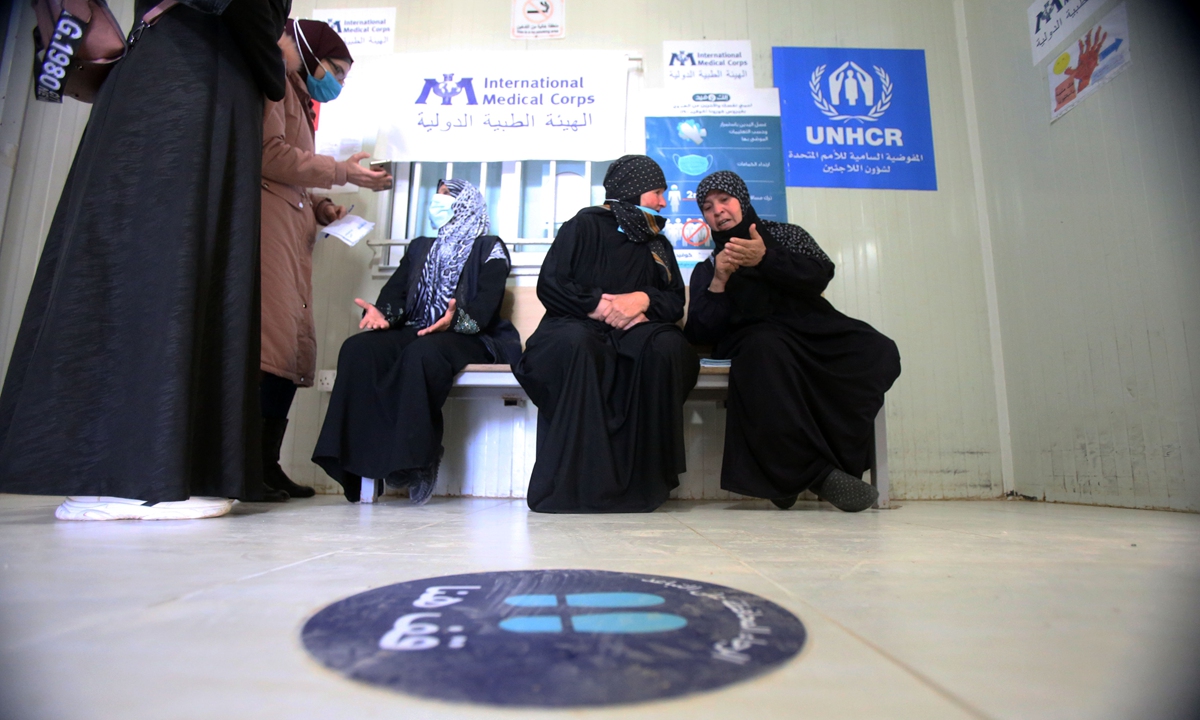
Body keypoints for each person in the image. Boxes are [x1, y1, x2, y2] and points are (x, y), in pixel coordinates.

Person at [0, 0, 290, 520]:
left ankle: (159, 469)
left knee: (169, 261)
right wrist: (270, 60)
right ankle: (126, 474)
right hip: (190, 72)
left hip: (192, 66)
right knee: (162, 261)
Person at [684, 171, 901, 512]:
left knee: (877, 350)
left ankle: (816, 468)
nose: (718, 211)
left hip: (810, 329)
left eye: (724, 200)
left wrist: (766, 258)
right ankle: (817, 474)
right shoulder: (709, 266)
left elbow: (819, 274)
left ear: (742, 200)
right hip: (754, 338)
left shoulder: (786, 235)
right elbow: (700, 334)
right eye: (708, 207)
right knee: (767, 352)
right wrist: (719, 281)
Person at [312, 179, 519, 504]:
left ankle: (418, 458)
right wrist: (383, 313)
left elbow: (486, 306)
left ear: (466, 205)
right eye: (435, 198)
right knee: (359, 349)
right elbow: (395, 295)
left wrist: (457, 318)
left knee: (422, 353)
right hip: (419, 327)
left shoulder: (490, 247)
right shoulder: (420, 247)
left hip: (470, 334)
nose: (436, 205)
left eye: (446, 198)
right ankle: (359, 464)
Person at [514, 155, 699, 513]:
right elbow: (551, 284)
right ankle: (571, 487)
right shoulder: (583, 226)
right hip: (575, 324)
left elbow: (674, 301)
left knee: (667, 347)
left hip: (636, 333)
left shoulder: (657, 242)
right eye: (657, 192)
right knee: (577, 345)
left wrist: (641, 299)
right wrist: (599, 307)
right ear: (633, 189)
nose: (663, 202)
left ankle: (645, 483)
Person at [259, 19, 393, 501]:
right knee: (270, 348)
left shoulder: (296, 95)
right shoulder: (272, 85)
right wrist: (344, 173)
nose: (335, 82)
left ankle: (265, 463)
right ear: (308, 51)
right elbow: (268, 154)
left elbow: (290, 171)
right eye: (334, 69)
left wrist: (321, 206)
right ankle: (249, 465)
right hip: (267, 229)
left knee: (293, 349)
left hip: (293, 231)